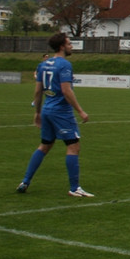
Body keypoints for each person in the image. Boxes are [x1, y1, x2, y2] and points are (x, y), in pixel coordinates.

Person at [16, 33, 94, 197]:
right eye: (69, 43)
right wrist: (80, 110)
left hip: (47, 110)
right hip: (61, 112)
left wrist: (37, 112)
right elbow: (66, 90)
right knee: (73, 146)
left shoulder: (43, 64)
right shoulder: (64, 65)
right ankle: (75, 188)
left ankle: (25, 181)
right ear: (62, 47)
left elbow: (38, 91)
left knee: (45, 145)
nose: (71, 46)